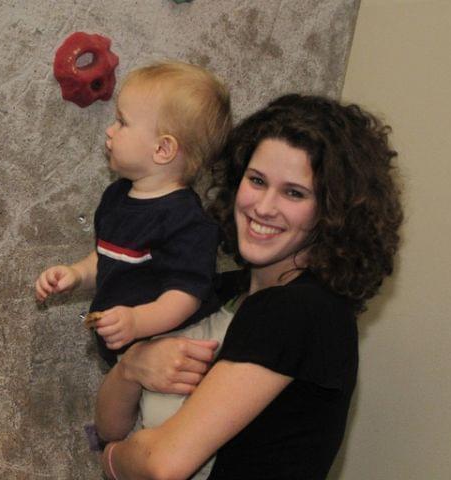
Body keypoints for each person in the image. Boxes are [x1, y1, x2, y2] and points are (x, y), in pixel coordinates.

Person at [95, 93, 403, 479]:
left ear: (333, 211)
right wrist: (131, 369)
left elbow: (161, 464)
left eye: (294, 193)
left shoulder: (299, 309)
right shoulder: (220, 291)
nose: (264, 207)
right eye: (257, 181)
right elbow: (109, 424)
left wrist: (112, 460)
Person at [35, 61, 232, 366]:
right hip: (132, 350)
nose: (109, 130)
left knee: (162, 413)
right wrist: (76, 274)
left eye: (122, 122)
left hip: (180, 348)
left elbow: (185, 296)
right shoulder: (117, 196)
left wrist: (138, 322)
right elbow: (109, 258)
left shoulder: (188, 221)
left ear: (163, 150)